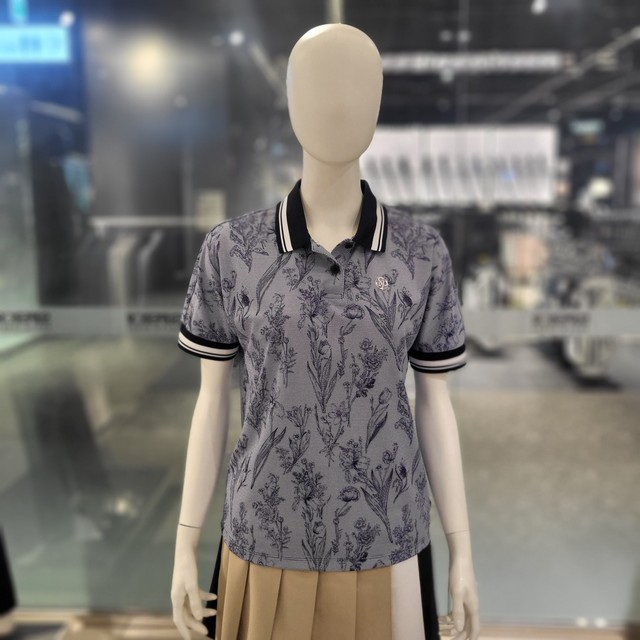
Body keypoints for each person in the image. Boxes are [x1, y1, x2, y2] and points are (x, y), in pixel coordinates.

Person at [171, 23, 480, 640]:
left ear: (379, 102)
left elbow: (434, 404)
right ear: (289, 102)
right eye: (318, 84)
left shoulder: (421, 253)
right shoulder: (233, 249)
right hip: (263, 532)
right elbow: (211, 401)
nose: (338, 103)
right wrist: (185, 542)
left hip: (389, 537)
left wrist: (462, 549)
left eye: (357, 85)